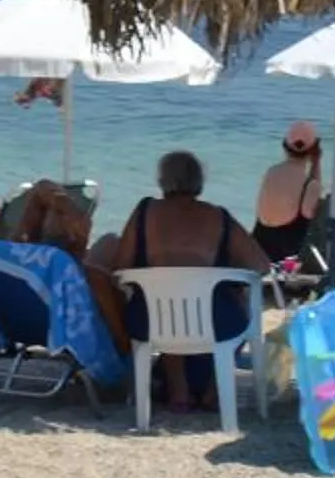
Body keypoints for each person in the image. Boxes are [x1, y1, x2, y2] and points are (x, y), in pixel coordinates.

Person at [104, 151, 271, 412]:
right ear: (199, 179)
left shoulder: (145, 212)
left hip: (152, 321)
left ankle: (178, 389)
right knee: (240, 301)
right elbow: (261, 266)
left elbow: (120, 267)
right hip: (214, 322)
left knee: (164, 304)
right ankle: (215, 388)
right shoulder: (219, 217)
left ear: (162, 179)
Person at [252, 121, 326, 263]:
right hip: (286, 258)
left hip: (258, 250)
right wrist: (316, 162)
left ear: (284, 146)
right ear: (314, 150)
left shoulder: (271, 172)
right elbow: (312, 215)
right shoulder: (310, 185)